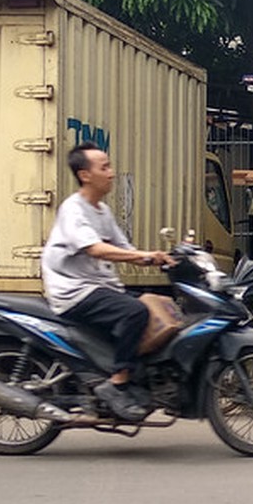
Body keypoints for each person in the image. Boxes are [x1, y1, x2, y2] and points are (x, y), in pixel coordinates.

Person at [41, 145, 175, 422]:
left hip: (97, 286)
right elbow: (96, 249)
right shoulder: (73, 209)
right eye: (104, 168)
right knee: (135, 312)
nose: (112, 173)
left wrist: (161, 258)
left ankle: (137, 377)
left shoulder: (102, 210)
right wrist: (143, 256)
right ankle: (117, 383)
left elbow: (124, 248)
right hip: (74, 291)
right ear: (85, 175)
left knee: (156, 307)